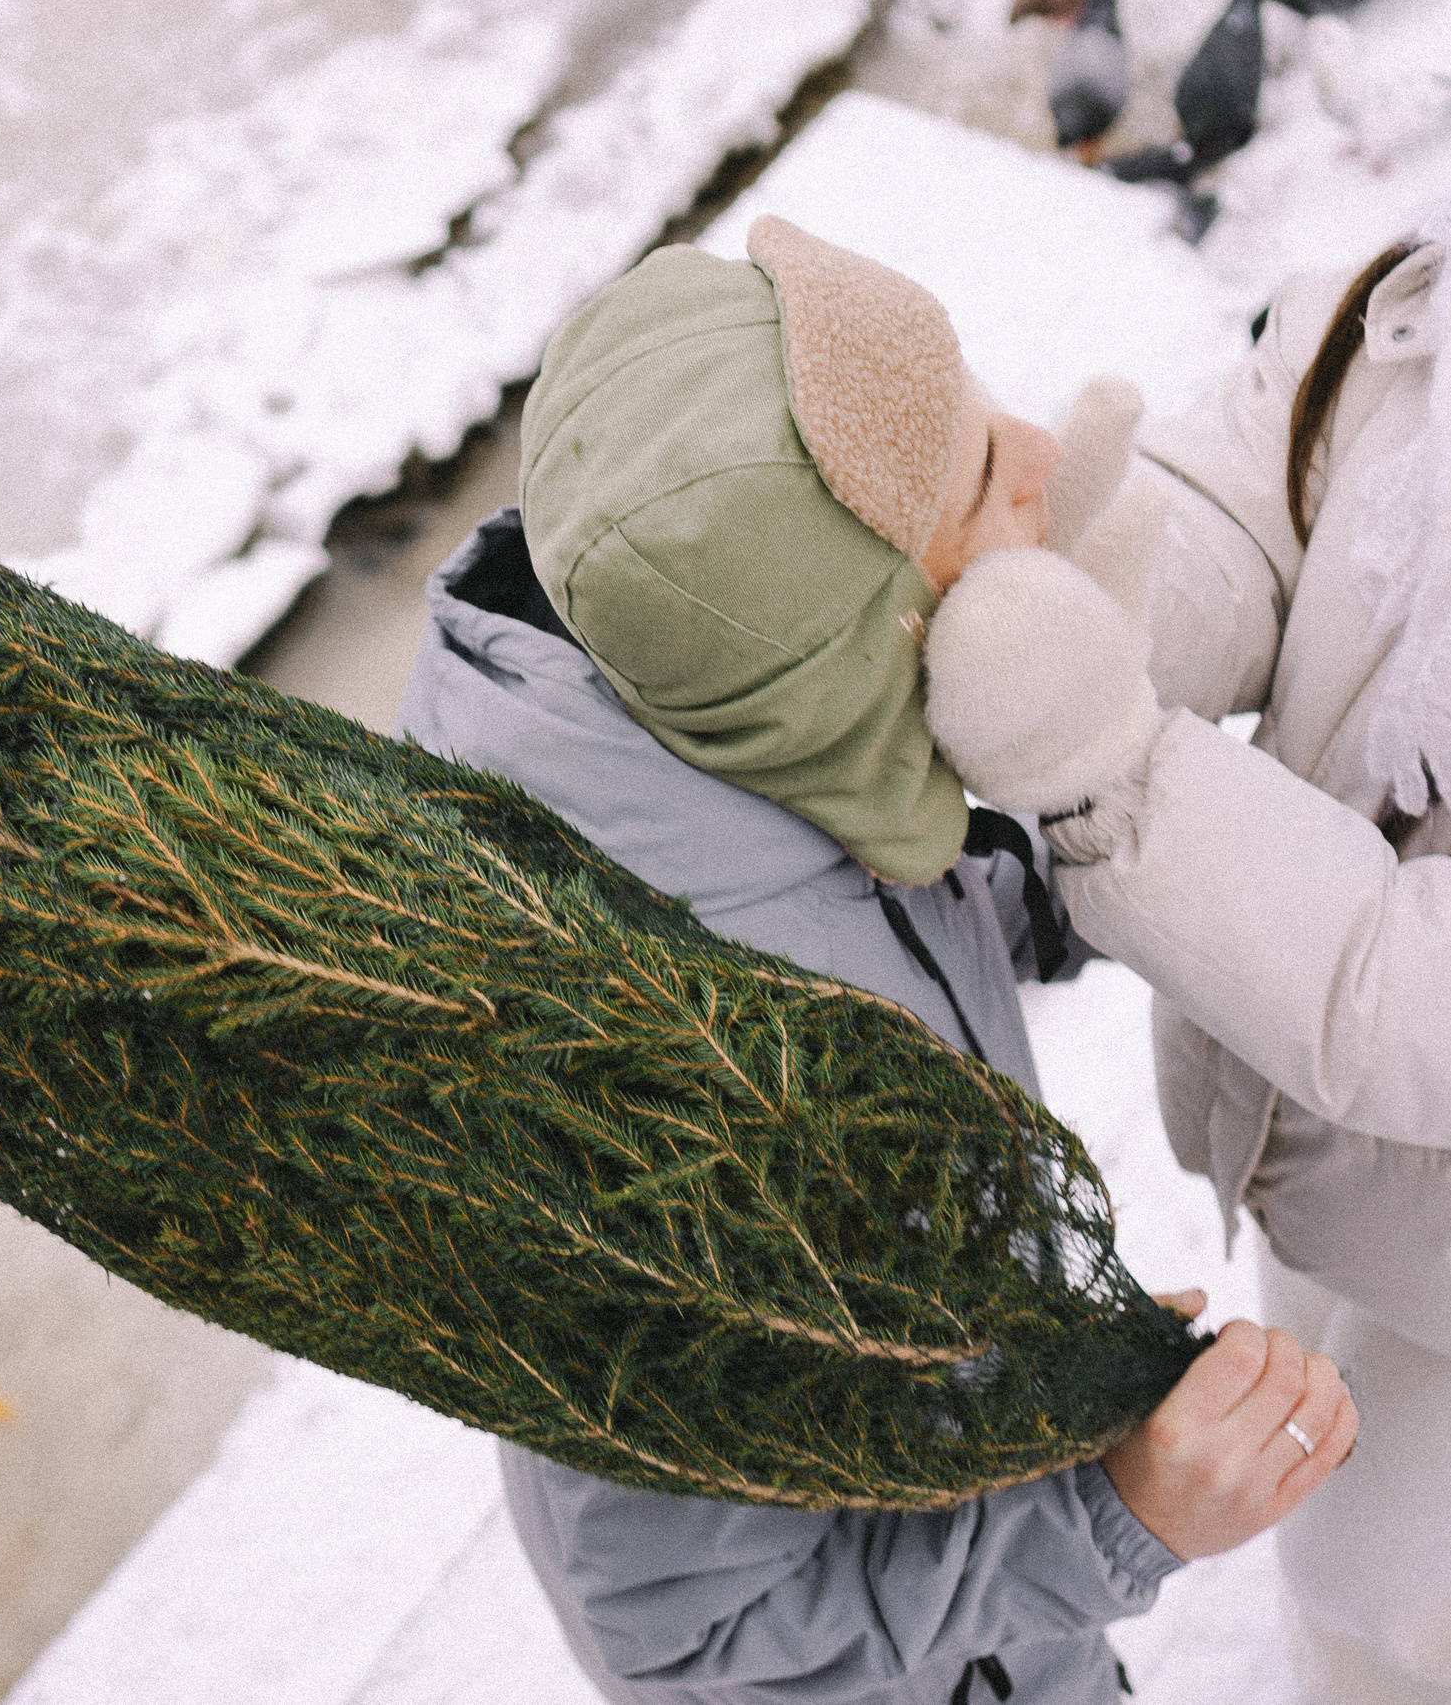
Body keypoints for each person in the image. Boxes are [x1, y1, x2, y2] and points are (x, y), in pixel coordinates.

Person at [395, 215, 1358, 1705]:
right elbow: (692, 1638)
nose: (1037, 446)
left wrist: (1069, 765)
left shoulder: (691, 730)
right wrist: (1109, 1520)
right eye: (978, 476)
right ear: (846, 646)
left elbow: (911, 900)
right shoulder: (672, 1115)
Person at [922, 0, 1451, 1699]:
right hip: (1311, 1112)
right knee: (1356, 1553)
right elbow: (1253, 517)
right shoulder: (1449, 311)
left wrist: (1105, 771)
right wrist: (1090, 582)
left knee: (1411, 1586)